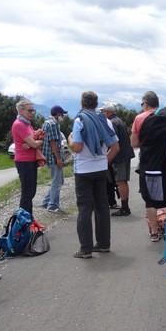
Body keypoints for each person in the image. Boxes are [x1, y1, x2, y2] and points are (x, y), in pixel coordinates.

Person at [68, 91, 119, 258]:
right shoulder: (105, 120)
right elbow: (116, 147)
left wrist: (69, 139)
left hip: (83, 170)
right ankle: (104, 244)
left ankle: (85, 249)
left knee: (84, 208)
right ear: (96, 104)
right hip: (101, 170)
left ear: (82, 103)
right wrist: (104, 161)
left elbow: (77, 147)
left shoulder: (80, 120)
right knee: (102, 206)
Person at [133, 91, 163, 239]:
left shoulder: (140, 118)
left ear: (145, 104)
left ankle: (155, 232)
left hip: (148, 164)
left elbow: (134, 143)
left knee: (150, 200)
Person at [11, 99, 46, 216]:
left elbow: (34, 141)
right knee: (27, 193)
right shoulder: (19, 124)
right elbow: (35, 144)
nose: (32, 113)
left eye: (33, 110)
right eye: (30, 111)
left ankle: (28, 219)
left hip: (30, 160)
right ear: (21, 111)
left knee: (31, 191)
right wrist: (38, 141)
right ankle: (23, 221)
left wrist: (34, 141)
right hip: (24, 161)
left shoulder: (27, 124)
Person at [101, 103, 135, 217]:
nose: (102, 113)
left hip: (119, 156)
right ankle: (125, 206)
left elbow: (112, 141)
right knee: (123, 181)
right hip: (124, 154)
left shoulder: (112, 123)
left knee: (120, 181)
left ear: (108, 112)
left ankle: (125, 208)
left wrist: (108, 155)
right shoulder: (118, 120)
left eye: (103, 111)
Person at [39, 104, 68, 214]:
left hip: (50, 156)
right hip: (53, 157)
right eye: (62, 115)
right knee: (57, 182)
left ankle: (46, 201)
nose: (63, 117)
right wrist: (58, 158)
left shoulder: (47, 123)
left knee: (59, 180)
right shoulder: (52, 124)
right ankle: (52, 205)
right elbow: (53, 142)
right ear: (58, 114)